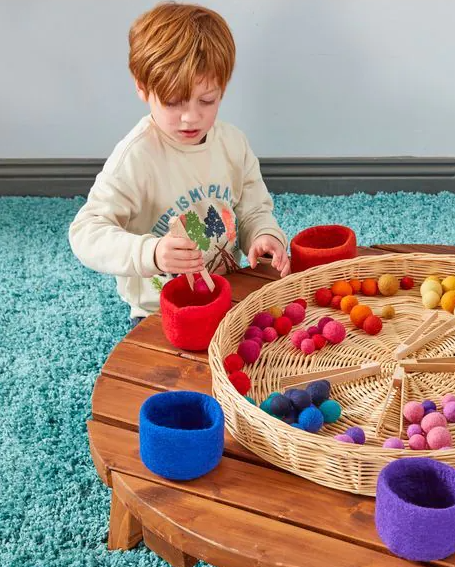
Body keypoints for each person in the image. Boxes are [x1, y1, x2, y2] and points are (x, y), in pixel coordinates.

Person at [69, 2, 290, 326]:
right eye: (173, 102)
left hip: (227, 290)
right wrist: (153, 253)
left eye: (207, 100)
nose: (191, 117)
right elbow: (85, 233)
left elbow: (252, 209)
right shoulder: (136, 158)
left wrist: (263, 235)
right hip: (161, 307)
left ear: (223, 88)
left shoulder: (232, 144)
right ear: (143, 88)